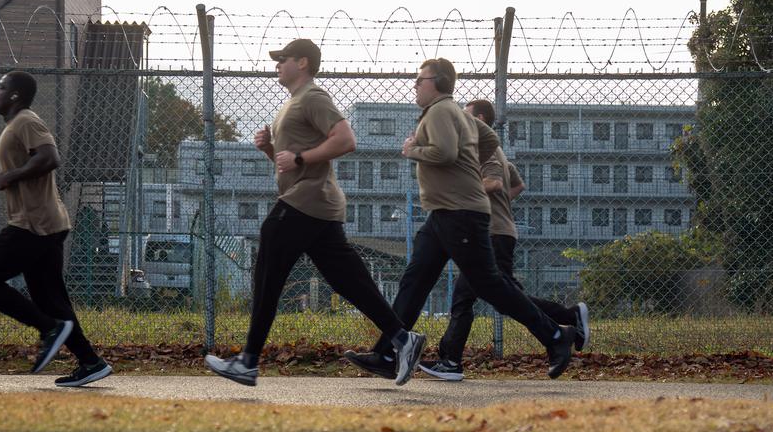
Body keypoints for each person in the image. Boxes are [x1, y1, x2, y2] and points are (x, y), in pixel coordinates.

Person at [204, 39, 426, 387]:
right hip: (314, 203)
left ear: (303, 62)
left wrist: (300, 158)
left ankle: (248, 360)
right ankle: (402, 339)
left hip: (305, 202)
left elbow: (346, 139)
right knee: (348, 280)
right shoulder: (292, 103)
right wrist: (271, 150)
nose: (277, 65)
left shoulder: (313, 97)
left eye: (283, 59)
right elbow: (291, 163)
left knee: (267, 271)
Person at [345, 58, 577, 380]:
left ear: (437, 82)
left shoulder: (441, 111)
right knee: (415, 282)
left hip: (461, 213)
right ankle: (388, 352)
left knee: (491, 285)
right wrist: (468, 166)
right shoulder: (456, 113)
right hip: (443, 213)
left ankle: (555, 334)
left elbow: (444, 153)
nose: (415, 84)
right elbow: (490, 141)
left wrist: (413, 150)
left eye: (419, 79)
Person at [418, 99, 590, 381]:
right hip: (496, 230)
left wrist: (462, 192)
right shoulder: (491, 150)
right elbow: (517, 184)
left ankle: (451, 361)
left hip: (492, 234)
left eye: (466, 117)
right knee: (507, 295)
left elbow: (495, 182)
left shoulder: (486, 151)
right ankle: (568, 320)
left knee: (465, 297)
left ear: (480, 119)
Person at [0, 71, 112, 387]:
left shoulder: (26, 121)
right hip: (44, 223)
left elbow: (50, 158)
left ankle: (49, 329)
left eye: (1, 87)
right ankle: (90, 361)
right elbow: (25, 174)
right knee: (52, 301)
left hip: (33, 224)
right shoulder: (14, 126)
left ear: (16, 95)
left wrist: (11, 176)